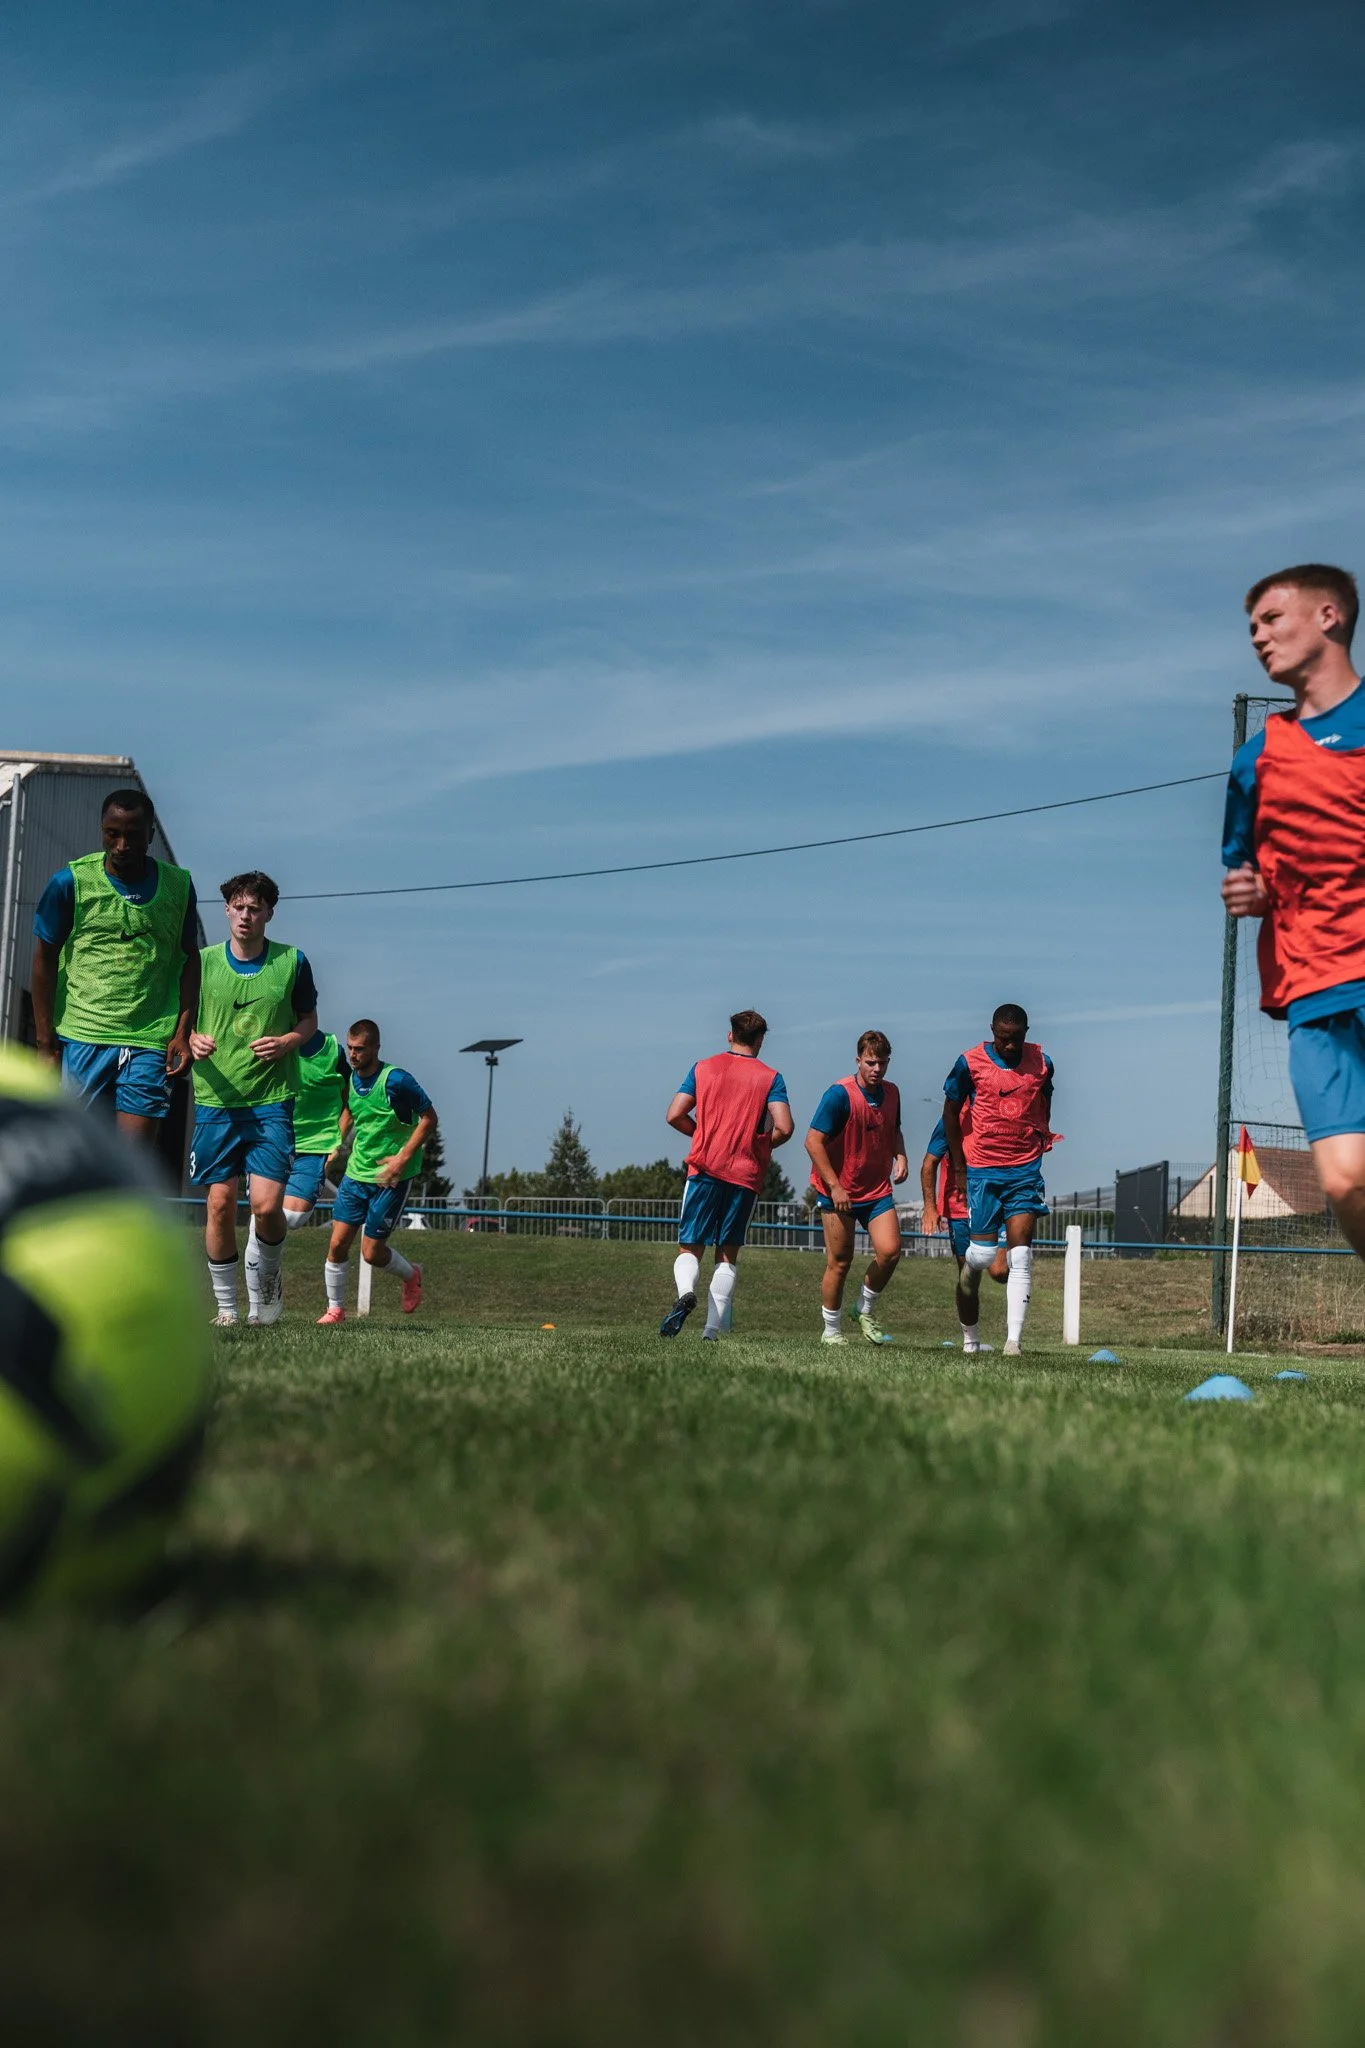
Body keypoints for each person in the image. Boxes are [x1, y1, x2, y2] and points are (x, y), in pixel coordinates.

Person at [1222, 563, 1365, 1254]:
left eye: (1271, 618)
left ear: (1328, 617)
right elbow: (1241, 866)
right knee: (1343, 1183)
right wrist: (1244, 891)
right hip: (1312, 994)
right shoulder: (1255, 760)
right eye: (1250, 626)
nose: (1257, 636)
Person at [29, 788, 199, 1143]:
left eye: (134, 835)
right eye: (113, 833)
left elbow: (190, 959)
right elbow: (43, 961)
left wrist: (183, 1031)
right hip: (84, 1034)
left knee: (131, 1158)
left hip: (149, 1039)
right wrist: (46, 1045)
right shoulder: (69, 883)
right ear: (102, 830)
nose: (122, 844)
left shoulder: (178, 886)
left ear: (150, 834)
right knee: (79, 1154)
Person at [189, 872, 318, 1327]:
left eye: (255, 908)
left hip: (271, 1100)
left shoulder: (292, 962)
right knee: (219, 1204)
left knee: (265, 1207)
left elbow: (308, 1021)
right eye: (239, 907)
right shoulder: (201, 963)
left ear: (268, 914)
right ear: (226, 909)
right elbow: (178, 1018)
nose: (246, 916)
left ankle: (270, 1277)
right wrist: (190, 1038)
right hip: (216, 1100)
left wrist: (287, 1042)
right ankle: (227, 1308)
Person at [659, 1008, 794, 1341]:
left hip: (704, 1169)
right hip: (745, 1175)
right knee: (727, 1255)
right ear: (760, 1040)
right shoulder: (770, 1077)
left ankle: (685, 1293)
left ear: (730, 1035)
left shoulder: (703, 1068)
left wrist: (703, 1135)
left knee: (689, 1248)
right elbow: (785, 1127)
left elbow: (674, 1114)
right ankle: (710, 1332)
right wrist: (761, 1145)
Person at [941, 1004, 1056, 1358]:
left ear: (1026, 1032)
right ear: (992, 1030)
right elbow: (949, 1110)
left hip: (1022, 1171)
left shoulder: (1042, 1063)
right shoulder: (969, 1063)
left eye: (1016, 1039)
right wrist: (959, 1168)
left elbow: (1045, 1097)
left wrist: (1039, 1135)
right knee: (983, 1256)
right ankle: (967, 1276)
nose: (1009, 1046)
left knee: (1020, 1253)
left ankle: (1013, 1342)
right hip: (982, 1170)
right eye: (1003, 1039)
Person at [318, 1020, 435, 1324]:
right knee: (337, 1244)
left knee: (371, 1253)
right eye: (350, 1048)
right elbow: (349, 1110)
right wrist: (336, 1143)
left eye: (359, 1049)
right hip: (357, 1173)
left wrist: (401, 1159)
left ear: (375, 1048)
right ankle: (335, 1309)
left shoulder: (396, 1080)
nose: (353, 1055)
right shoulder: (350, 1079)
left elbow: (429, 1118)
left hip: (392, 1177)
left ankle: (412, 1275)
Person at [805, 1030, 908, 1346]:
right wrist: (835, 1186)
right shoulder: (839, 1095)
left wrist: (900, 1155)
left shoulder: (892, 1093)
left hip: (876, 1191)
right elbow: (812, 1141)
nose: (876, 1069)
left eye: (882, 1063)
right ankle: (831, 1331)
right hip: (839, 1192)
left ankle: (863, 1308)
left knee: (890, 1252)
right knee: (840, 1261)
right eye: (870, 1062)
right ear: (858, 1060)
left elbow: (895, 1130)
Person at [243, 1025, 352, 1319]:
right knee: (262, 1217)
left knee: (290, 1217)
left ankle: (269, 1264)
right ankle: (259, 1308)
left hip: (314, 1145)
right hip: (272, 1140)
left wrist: (338, 1139)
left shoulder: (333, 1050)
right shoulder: (264, 1043)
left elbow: (350, 1100)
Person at [920, 1113, 1008, 1350]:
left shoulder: (1001, 1111)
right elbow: (929, 1163)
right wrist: (930, 1207)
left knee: (1000, 1271)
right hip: (960, 1209)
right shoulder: (952, 1118)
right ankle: (971, 1340)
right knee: (968, 1276)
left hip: (996, 1203)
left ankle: (1014, 1337)